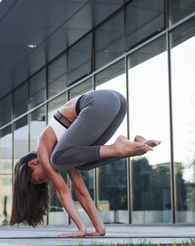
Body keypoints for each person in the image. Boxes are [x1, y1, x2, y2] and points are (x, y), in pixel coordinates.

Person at [9, 89, 160, 237]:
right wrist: (99, 228)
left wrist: (80, 229)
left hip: (101, 103)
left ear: (33, 163)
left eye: (41, 178)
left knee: (57, 160)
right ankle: (136, 146)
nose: (47, 179)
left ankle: (118, 147)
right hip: (117, 103)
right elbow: (81, 191)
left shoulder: (43, 147)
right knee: (83, 163)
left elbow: (63, 191)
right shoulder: (65, 152)